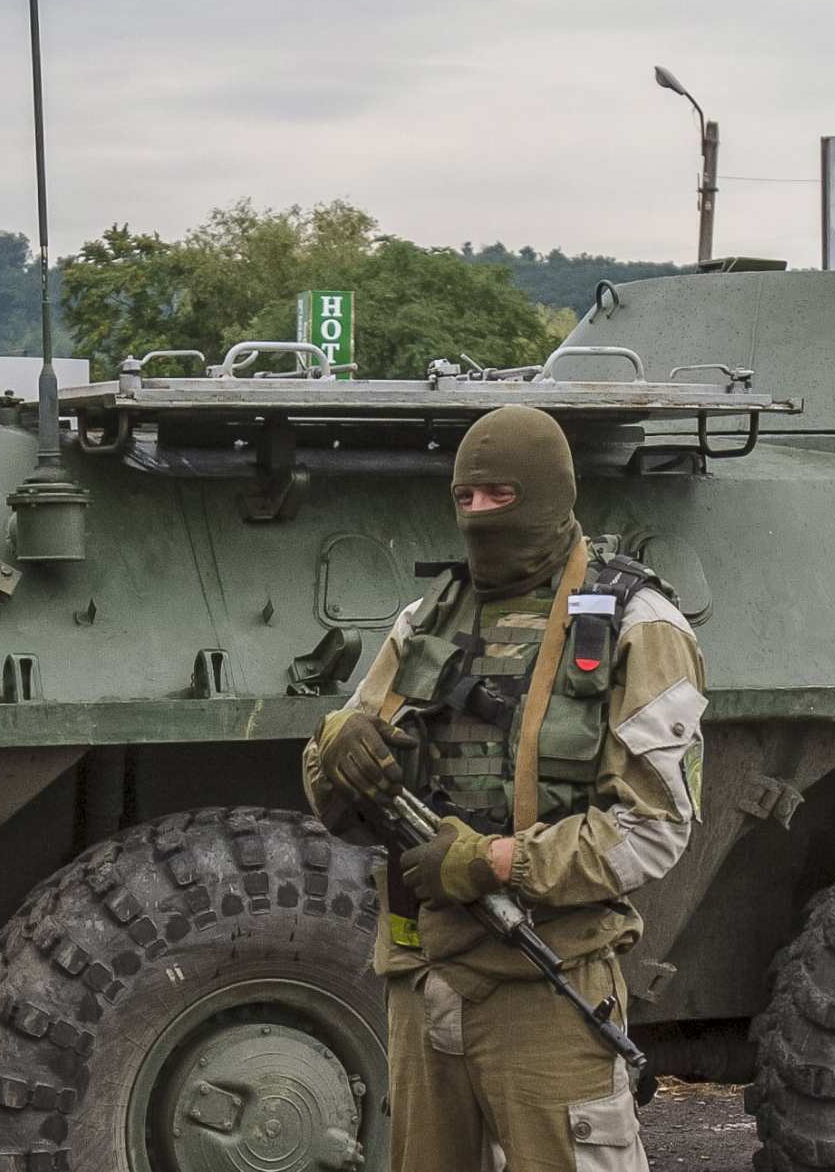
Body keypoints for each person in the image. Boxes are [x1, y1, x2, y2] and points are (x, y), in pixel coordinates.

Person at [301, 404, 706, 1171]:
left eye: (501, 496)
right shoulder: (427, 619)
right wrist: (335, 743)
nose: (480, 514)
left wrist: (496, 863)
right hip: (422, 981)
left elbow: (656, 826)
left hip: (546, 984)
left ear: (550, 496)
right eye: (466, 497)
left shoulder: (639, 625)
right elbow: (336, 799)